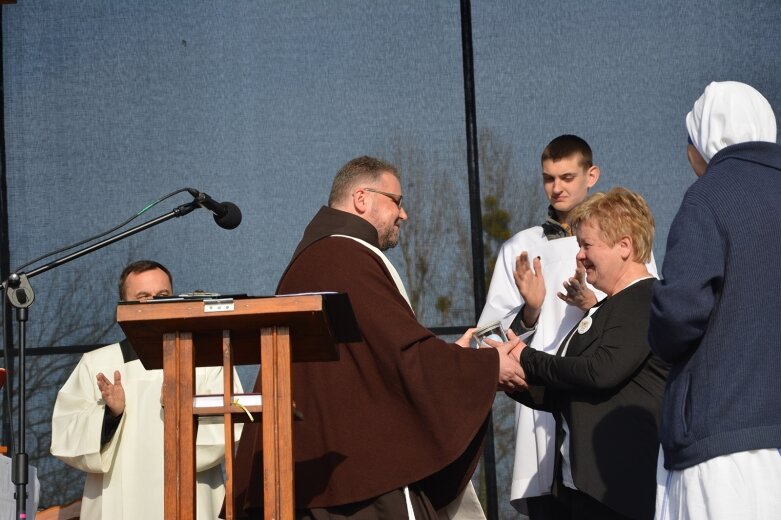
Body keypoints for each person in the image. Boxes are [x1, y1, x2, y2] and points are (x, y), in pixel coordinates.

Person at [232, 155, 526, 519]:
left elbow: (374, 360)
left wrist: (452, 358)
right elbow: (400, 355)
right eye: (397, 202)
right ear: (361, 199)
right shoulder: (345, 256)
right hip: (358, 478)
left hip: (318, 471)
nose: (404, 215)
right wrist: (486, 364)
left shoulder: (318, 257)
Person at [649, 81, 781, 519]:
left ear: (705, 139)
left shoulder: (709, 198)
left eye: (690, 139)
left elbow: (677, 316)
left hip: (722, 440)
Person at [505, 187, 668, 520]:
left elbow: (600, 372)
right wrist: (509, 376)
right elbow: (570, 390)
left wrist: (524, 357)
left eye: (586, 245)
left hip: (620, 498)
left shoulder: (645, 299)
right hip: (581, 492)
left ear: (625, 245)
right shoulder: (609, 306)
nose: (579, 256)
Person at [51, 260, 242, 519]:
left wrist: (181, 410)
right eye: (142, 297)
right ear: (124, 306)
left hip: (189, 500)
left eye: (162, 296)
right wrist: (110, 416)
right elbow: (65, 436)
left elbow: (231, 427)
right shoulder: (98, 364)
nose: (154, 303)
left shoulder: (207, 360)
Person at [478, 134, 602, 518]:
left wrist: (593, 304)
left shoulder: (622, 241)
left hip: (603, 405)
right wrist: (530, 311)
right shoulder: (521, 247)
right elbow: (488, 343)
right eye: (549, 178)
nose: (557, 187)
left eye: (567, 176)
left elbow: (645, 317)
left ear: (591, 175)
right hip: (542, 410)